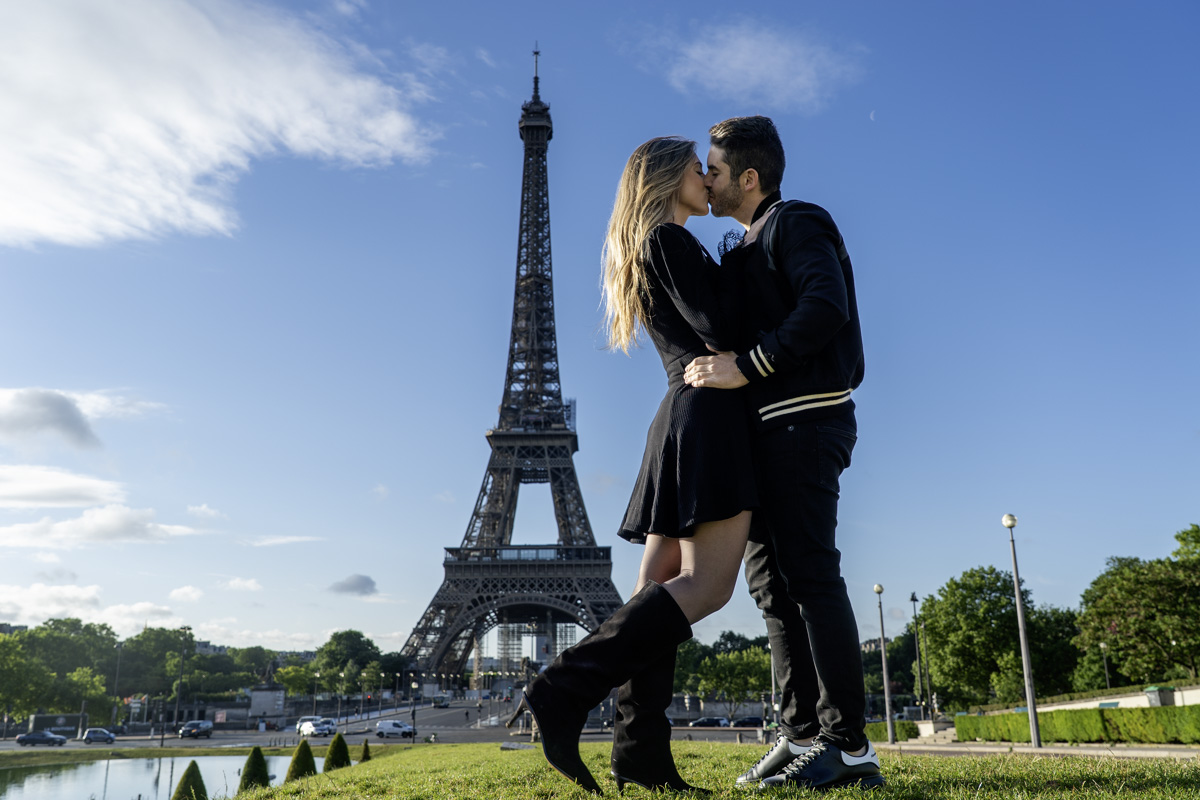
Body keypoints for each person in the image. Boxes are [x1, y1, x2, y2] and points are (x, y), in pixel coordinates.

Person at [507, 136, 757, 795]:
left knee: (659, 588)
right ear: (667, 176)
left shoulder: (644, 248)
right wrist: (747, 268)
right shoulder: (672, 242)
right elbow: (718, 325)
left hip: (676, 416)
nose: (708, 178)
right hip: (708, 416)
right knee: (707, 588)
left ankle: (638, 750)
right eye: (698, 168)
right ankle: (563, 687)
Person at [684, 115, 883, 791]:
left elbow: (825, 304)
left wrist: (752, 363)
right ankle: (800, 733)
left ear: (748, 177)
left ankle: (850, 746)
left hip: (805, 421)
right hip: (768, 432)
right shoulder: (748, 246)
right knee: (772, 590)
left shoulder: (797, 221)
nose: (705, 180)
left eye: (712, 169)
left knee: (811, 577)